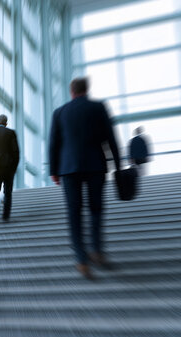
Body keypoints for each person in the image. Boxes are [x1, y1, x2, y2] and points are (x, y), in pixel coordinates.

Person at [48, 77, 121, 279]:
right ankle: (96, 251)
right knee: (96, 209)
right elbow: (111, 137)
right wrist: (118, 164)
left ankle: (81, 259)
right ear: (86, 90)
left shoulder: (60, 112)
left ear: (71, 91)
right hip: (96, 165)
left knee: (74, 212)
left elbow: (53, 143)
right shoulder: (99, 107)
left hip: (69, 168)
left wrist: (54, 170)